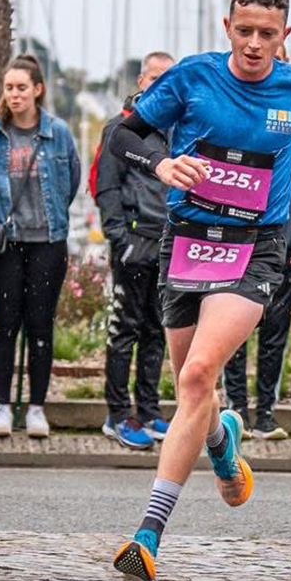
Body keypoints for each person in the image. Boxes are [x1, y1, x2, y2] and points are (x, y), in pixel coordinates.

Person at [108, 0, 291, 581]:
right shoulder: (193, 77)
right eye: (244, 31)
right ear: (227, 26)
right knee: (193, 389)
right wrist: (161, 163)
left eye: (267, 34)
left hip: (256, 248)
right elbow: (122, 136)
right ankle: (222, 442)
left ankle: (147, 535)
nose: (254, 44)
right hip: (187, 241)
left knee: (197, 375)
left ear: (285, 34)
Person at [0, 54, 80, 440]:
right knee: (4, 325)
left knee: (40, 326)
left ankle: (36, 408)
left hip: (47, 242)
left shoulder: (58, 133)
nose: (14, 95)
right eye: (9, 88)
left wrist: (51, 217)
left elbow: (71, 182)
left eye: (21, 88)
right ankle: (2, 405)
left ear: (37, 90)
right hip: (5, 243)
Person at [222, 116, 291, 440]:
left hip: (288, 243)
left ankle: (265, 413)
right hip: (241, 241)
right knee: (234, 329)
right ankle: (237, 408)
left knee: (275, 331)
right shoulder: (243, 118)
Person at [94, 51, 175, 450]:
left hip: (167, 244)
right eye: (154, 78)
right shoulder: (120, 128)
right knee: (123, 330)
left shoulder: (175, 130)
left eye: (168, 79)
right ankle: (117, 413)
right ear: (142, 81)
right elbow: (105, 187)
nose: (160, 85)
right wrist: (118, 238)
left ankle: (148, 408)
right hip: (132, 243)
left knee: (156, 329)